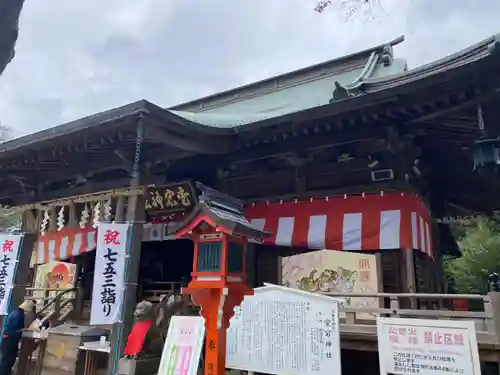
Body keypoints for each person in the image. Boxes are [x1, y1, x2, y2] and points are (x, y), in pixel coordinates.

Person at [0, 300, 35, 375]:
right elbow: (16, 328)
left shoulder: (15, 312)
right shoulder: (18, 315)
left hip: (8, 338)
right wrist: (27, 329)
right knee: (7, 360)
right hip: (10, 339)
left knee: (7, 359)